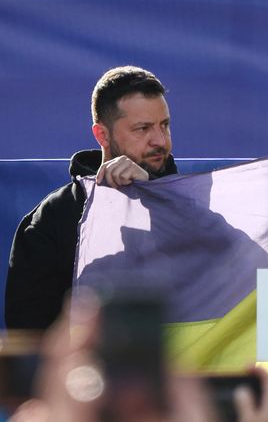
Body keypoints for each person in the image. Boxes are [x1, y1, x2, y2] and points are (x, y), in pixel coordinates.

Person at [5, 66, 178, 329]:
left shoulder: (195, 204)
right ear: (102, 135)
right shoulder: (52, 220)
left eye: (164, 125)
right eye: (142, 129)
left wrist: (153, 195)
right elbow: (31, 338)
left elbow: (254, 267)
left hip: (190, 370)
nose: (160, 140)